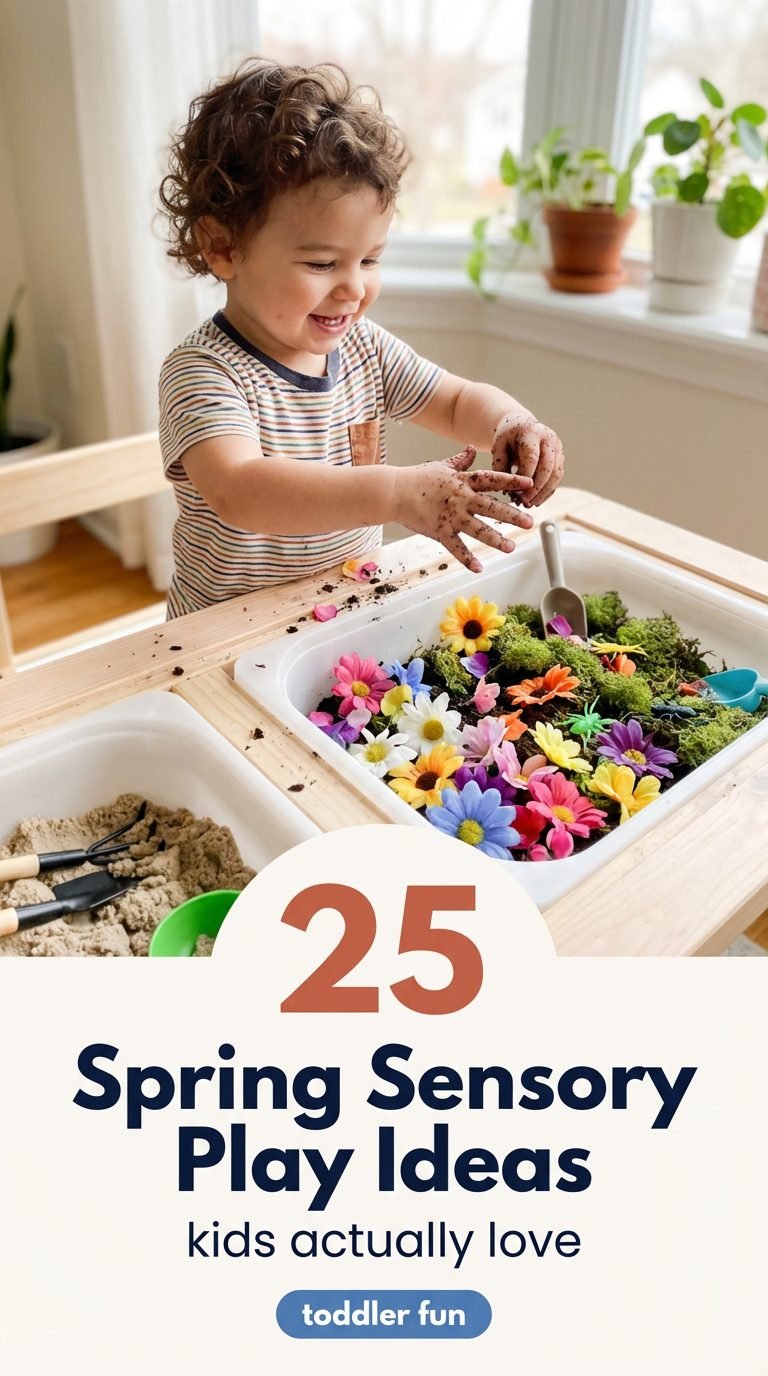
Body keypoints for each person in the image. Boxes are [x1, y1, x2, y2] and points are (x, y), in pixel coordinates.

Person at [158, 60, 565, 618]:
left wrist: (512, 423)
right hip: (224, 637)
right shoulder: (202, 372)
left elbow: (452, 399)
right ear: (223, 247)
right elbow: (242, 490)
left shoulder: (364, 349)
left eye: (371, 259)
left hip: (346, 611)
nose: (354, 287)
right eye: (323, 262)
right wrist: (396, 494)